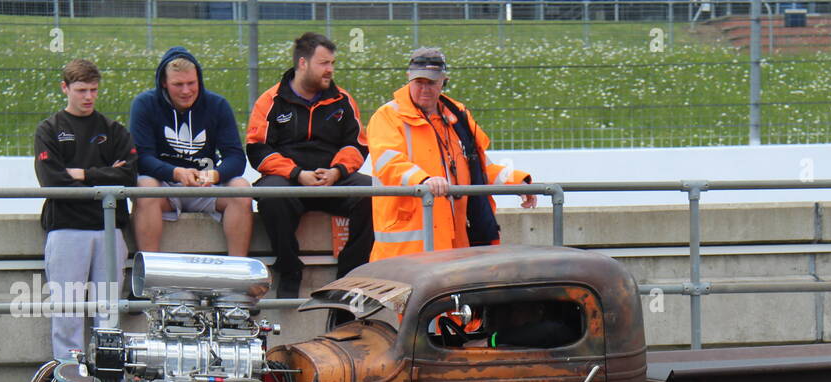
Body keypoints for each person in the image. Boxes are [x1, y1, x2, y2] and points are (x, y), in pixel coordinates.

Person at [365, 48, 535, 262]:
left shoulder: (457, 116)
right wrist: (424, 181)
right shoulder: (388, 116)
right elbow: (388, 163)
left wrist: (518, 182)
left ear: (443, 82)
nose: (425, 89)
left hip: (453, 245)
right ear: (409, 78)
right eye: (419, 82)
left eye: (432, 83)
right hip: (405, 252)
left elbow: (479, 167)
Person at [246, 32, 373, 299]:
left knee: (372, 191)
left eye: (332, 64)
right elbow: (258, 149)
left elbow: (357, 144)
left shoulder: (343, 100)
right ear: (302, 63)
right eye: (324, 63)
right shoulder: (270, 101)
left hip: (333, 180)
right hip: (291, 181)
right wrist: (296, 173)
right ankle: (289, 269)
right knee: (271, 195)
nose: (330, 70)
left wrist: (337, 171)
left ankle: (350, 275)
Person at [33, 58, 136, 361]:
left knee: (109, 310)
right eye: (81, 90)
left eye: (93, 89)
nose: (88, 96)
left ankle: (108, 377)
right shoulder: (49, 129)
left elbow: (129, 176)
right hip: (66, 229)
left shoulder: (113, 130)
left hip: (109, 229)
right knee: (68, 312)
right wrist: (104, 175)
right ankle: (71, 377)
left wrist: (83, 174)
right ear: (65, 88)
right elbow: (52, 180)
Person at [129, 46, 252, 257]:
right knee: (145, 186)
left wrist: (214, 175)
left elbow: (235, 157)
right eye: (178, 84)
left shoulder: (217, 105)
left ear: (199, 80)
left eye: (191, 83)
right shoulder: (145, 104)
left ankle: (237, 273)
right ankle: (150, 274)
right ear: (164, 83)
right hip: (165, 184)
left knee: (241, 188)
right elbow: (142, 158)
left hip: (205, 184)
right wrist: (176, 172)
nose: (186, 91)